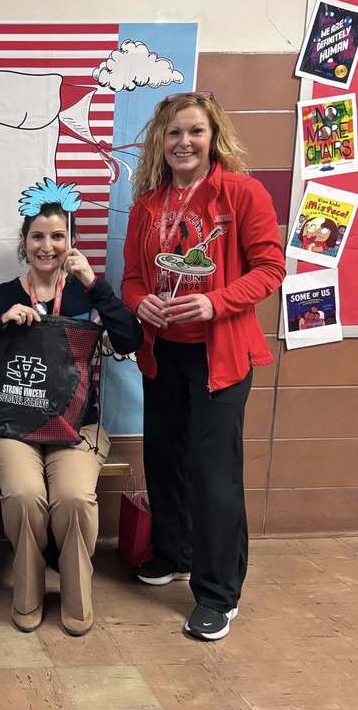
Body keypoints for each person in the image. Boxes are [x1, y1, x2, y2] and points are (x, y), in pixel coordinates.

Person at [121, 92, 285, 641]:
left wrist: (217, 302)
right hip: (163, 350)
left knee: (214, 474)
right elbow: (132, 280)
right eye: (173, 133)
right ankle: (173, 551)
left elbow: (270, 268)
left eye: (194, 132)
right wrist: (139, 302)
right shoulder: (148, 204)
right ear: (159, 144)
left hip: (221, 356)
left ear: (212, 136)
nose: (183, 143)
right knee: (165, 458)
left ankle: (218, 594)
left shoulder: (242, 193)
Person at [0, 179, 142, 636]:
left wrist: (95, 284)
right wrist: (2, 328)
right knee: (25, 496)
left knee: (73, 499)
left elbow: (129, 340)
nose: (48, 246)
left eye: (58, 236)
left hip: (76, 425)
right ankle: (27, 595)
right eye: (38, 236)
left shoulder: (87, 296)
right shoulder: (0, 296)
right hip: (10, 426)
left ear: (73, 241)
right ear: (23, 243)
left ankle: (78, 600)